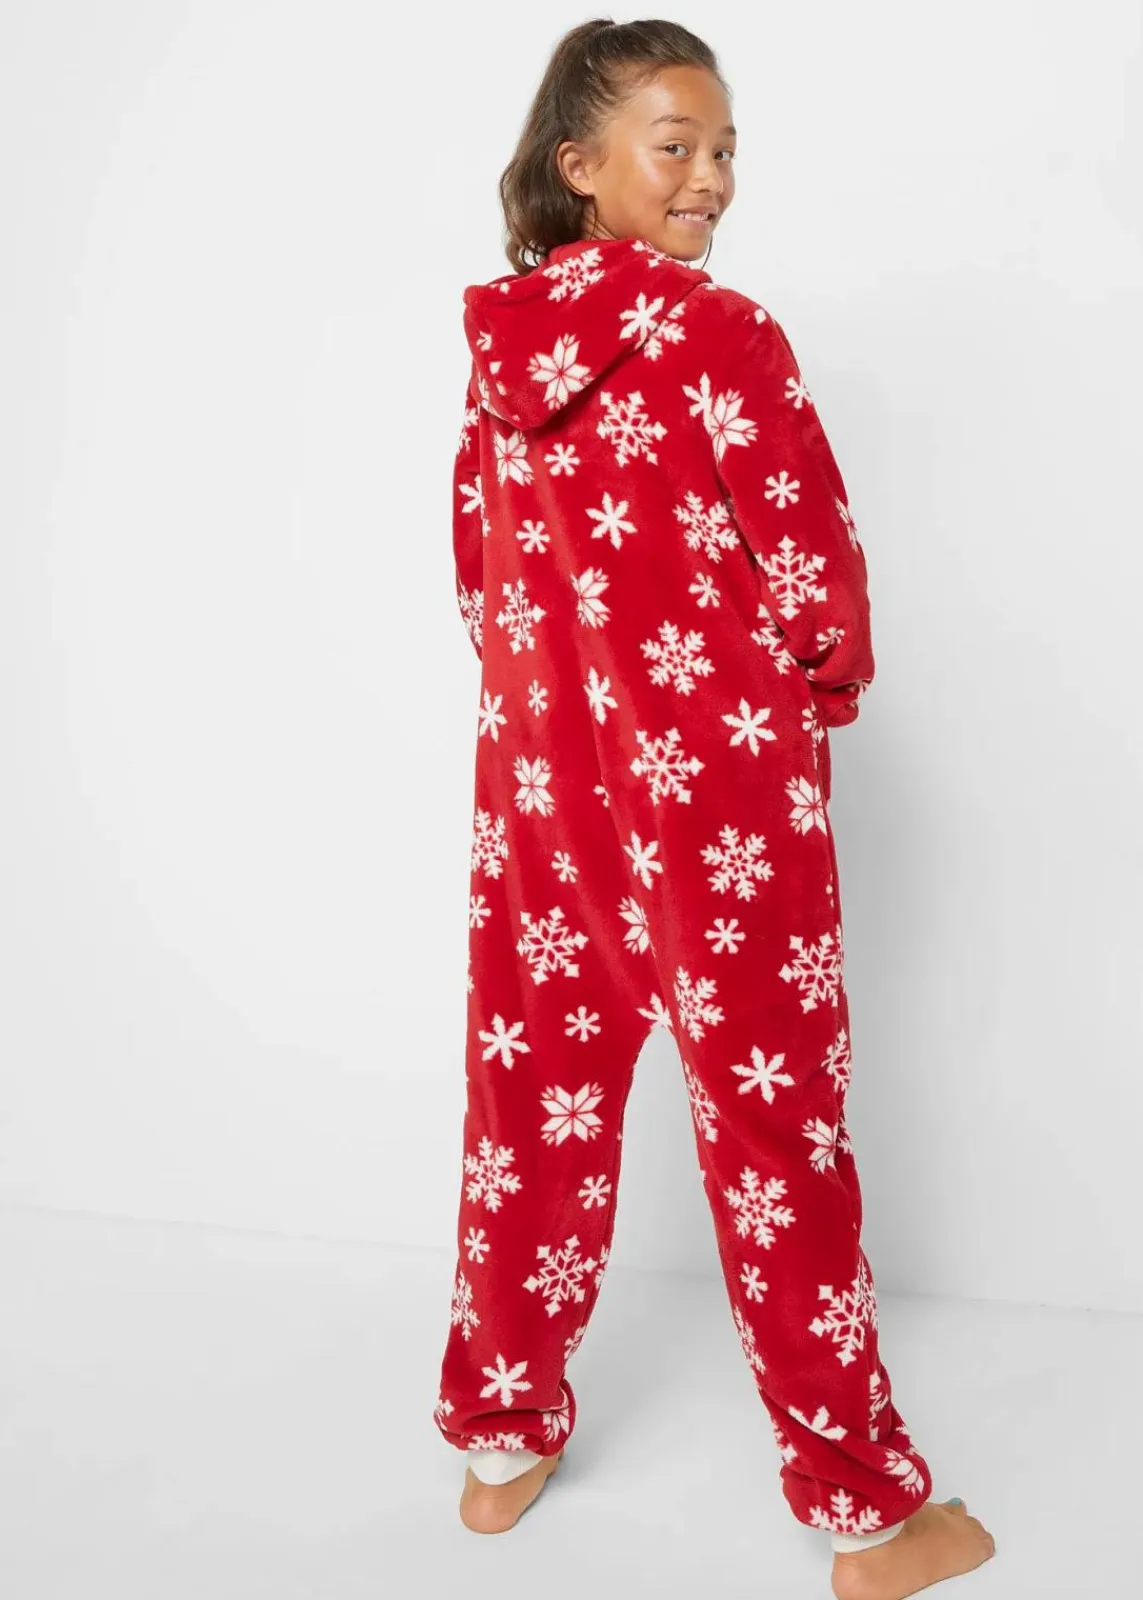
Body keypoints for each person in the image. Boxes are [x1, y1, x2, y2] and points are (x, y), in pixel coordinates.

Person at [431, 18, 995, 1598]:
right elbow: (818, 585)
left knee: (531, 1108)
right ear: (581, 165)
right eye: (674, 146)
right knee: (775, 1136)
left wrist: (571, 705)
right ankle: (865, 1518)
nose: (711, 178)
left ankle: (498, 1440)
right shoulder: (723, 335)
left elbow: (476, 579)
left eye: (726, 148)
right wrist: (804, 704)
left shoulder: (499, 355)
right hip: (721, 812)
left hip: (543, 799)